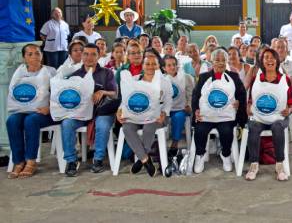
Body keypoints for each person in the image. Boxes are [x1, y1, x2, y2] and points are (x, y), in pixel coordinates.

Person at [60, 44, 117, 176]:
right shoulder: (75, 75)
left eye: (93, 54)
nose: (89, 57)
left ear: (98, 56)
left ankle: (98, 160)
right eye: (86, 54)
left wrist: (102, 91)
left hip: (102, 111)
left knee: (102, 125)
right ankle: (72, 161)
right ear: (82, 56)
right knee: (67, 123)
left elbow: (115, 94)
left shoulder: (107, 73)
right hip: (80, 113)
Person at [192, 49, 247, 173]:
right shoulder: (203, 77)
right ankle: (200, 155)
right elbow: (195, 96)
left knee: (227, 131)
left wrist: (238, 102)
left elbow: (241, 94)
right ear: (211, 61)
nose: (220, 63)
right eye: (217, 60)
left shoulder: (233, 76)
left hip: (225, 116)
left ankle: (226, 154)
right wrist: (196, 110)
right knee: (200, 130)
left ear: (227, 61)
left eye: (223, 60)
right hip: (207, 116)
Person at [117, 50, 171, 177]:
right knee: (127, 127)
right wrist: (120, 110)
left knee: (149, 126)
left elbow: (168, 102)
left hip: (156, 117)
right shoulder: (134, 80)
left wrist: (164, 112)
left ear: (159, 66)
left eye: (154, 64)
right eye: (148, 64)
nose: (151, 67)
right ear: (142, 66)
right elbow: (126, 99)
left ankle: (141, 160)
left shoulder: (164, 82)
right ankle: (146, 160)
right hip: (135, 116)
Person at [6, 44, 57, 179]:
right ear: (24, 58)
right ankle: (18, 161)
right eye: (30, 54)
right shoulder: (19, 72)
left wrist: (50, 108)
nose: (34, 56)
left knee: (31, 120)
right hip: (23, 110)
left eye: (37, 53)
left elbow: (60, 94)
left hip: (45, 113)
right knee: (11, 121)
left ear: (42, 55)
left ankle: (31, 161)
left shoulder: (51, 71)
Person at [245, 48, 292, 181]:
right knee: (254, 127)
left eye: (272, 57)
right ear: (262, 61)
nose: (269, 60)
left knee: (277, 127)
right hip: (259, 117)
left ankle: (279, 165)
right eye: (266, 57)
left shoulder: (285, 79)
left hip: (278, 118)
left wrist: (289, 110)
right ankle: (254, 165)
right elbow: (251, 99)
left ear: (277, 61)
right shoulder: (256, 79)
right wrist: (249, 106)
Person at [163, 55, 194, 153]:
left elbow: (190, 95)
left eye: (174, 64)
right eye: (169, 65)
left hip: (182, 108)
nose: (172, 67)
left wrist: (189, 106)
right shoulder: (161, 79)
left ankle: (174, 143)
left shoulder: (186, 77)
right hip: (166, 110)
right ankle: (158, 145)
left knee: (179, 116)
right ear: (164, 68)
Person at [273, 39, 292, 104]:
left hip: (290, 87)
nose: (280, 50)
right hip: (274, 88)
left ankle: (290, 111)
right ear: (274, 49)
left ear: (286, 49)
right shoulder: (270, 64)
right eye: (278, 47)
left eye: (283, 47)